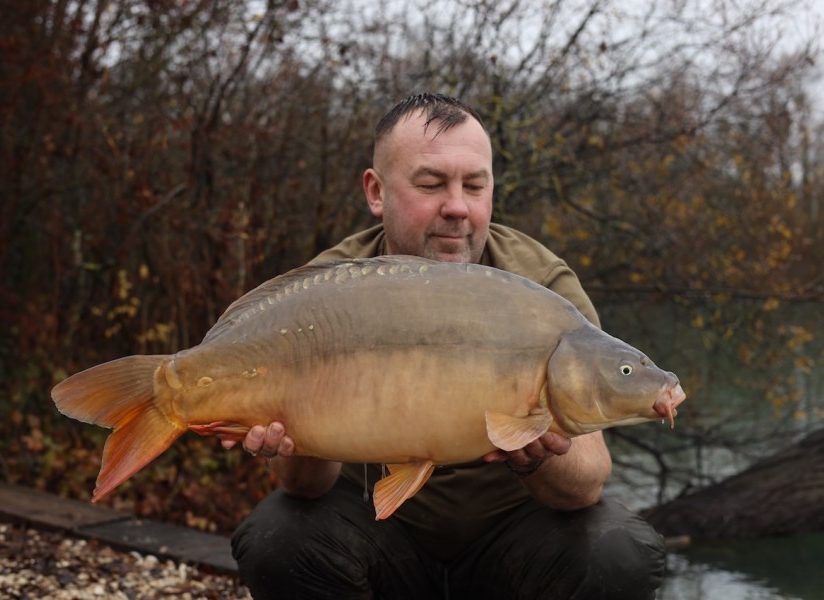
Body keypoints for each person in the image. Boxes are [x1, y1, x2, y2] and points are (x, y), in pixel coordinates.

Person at [219, 93, 666, 599]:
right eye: (431, 184)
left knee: (618, 549)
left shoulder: (542, 288)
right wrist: (295, 436)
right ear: (376, 191)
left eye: (474, 186)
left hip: (508, 547)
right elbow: (303, 488)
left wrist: (536, 452)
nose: (457, 207)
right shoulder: (330, 291)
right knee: (279, 535)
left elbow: (585, 485)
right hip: (379, 536)